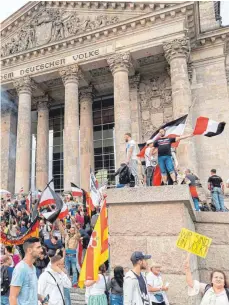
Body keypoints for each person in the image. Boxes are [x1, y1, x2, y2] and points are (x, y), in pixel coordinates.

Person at [9, 237, 47, 305]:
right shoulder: (21, 269)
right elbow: (12, 297)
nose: (41, 250)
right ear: (29, 250)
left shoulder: (33, 268)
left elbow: (28, 292)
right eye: (38, 247)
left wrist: (40, 297)